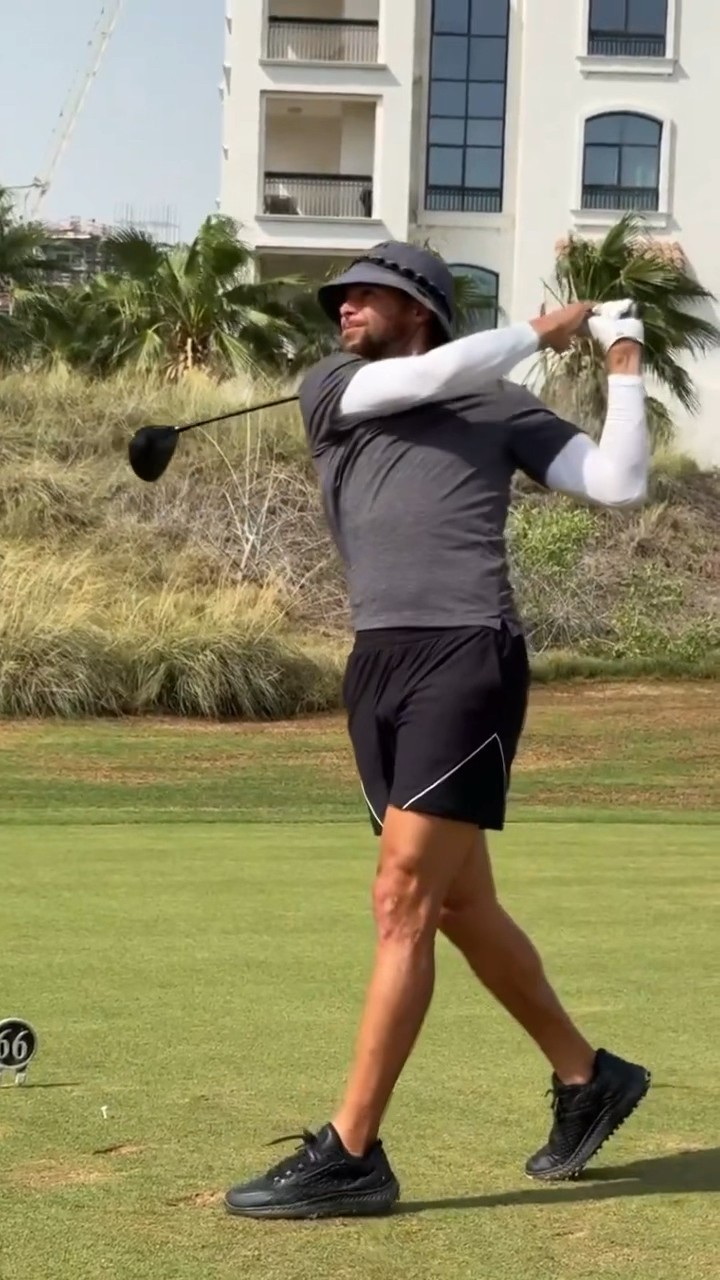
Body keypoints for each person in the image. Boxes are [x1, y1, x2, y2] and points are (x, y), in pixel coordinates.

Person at [225, 241, 652, 1220]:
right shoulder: (336, 385)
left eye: (366, 294)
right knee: (458, 906)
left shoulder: (497, 407)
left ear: (418, 304)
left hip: (466, 653)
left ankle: (351, 1152)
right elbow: (431, 374)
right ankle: (590, 1076)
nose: (345, 308)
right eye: (341, 297)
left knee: (403, 897)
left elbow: (618, 480)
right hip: (377, 662)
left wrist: (621, 357)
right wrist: (543, 331)